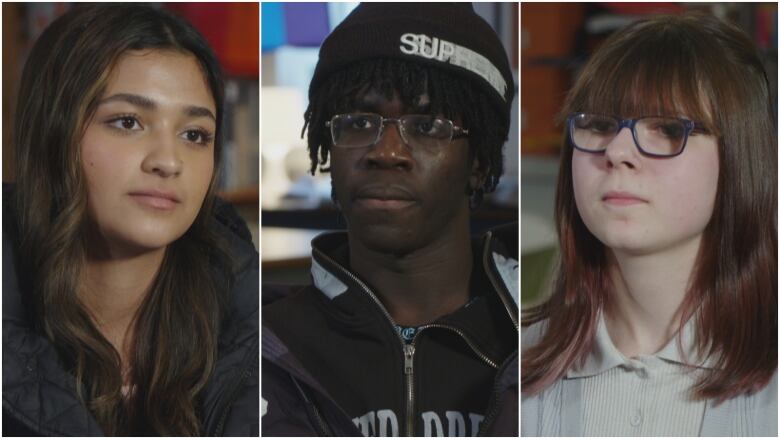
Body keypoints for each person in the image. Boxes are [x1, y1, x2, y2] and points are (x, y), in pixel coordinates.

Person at [262, 3, 518, 436]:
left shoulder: (536, 342)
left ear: (477, 161)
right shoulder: (264, 347)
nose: (387, 152)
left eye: (427, 125)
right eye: (359, 121)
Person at [3, 4, 258, 436]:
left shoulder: (254, 332)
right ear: (53, 133)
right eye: (127, 122)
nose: (168, 161)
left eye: (194, 134)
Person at [521, 13, 777, 437]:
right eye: (599, 125)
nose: (618, 150)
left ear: (739, 156)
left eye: (666, 128)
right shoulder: (513, 367)